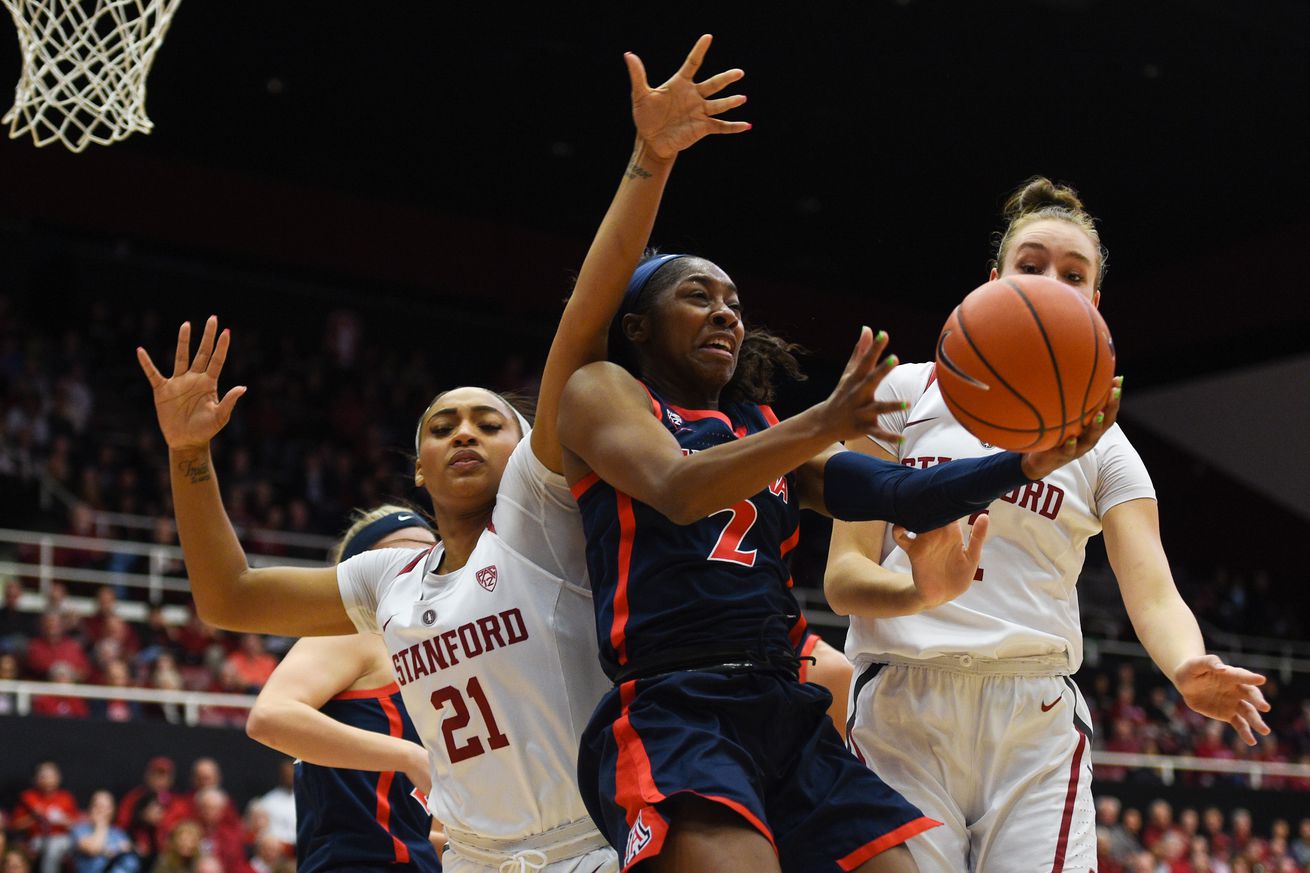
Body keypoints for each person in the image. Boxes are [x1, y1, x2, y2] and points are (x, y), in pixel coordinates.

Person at [136, 33, 752, 873]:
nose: (464, 431)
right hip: (470, 855)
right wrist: (189, 456)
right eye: (441, 425)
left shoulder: (541, 515)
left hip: (590, 842)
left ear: (528, 447)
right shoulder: (388, 580)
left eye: (489, 422)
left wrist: (650, 157)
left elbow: (583, 322)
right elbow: (228, 595)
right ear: (417, 468)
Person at [555, 113, 1121, 873]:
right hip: (676, 702)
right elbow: (678, 487)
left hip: (782, 707)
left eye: (734, 302)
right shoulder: (602, 392)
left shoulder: (756, 425)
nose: (727, 311)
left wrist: (1024, 463)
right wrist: (821, 421)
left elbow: (901, 494)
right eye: (698, 296)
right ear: (638, 325)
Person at [825, 176, 1273, 872]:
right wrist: (920, 593)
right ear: (992, 281)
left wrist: (1186, 664)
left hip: (1031, 715)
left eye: (1072, 274)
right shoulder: (903, 393)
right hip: (901, 704)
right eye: (1029, 265)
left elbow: (1151, 587)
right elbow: (844, 579)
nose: (1049, 282)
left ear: (1093, 302)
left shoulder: (1108, 445)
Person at [245, 505, 442, 873]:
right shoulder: (355, 633)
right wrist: (410, 757)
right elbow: (270, 716)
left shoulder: (423, 660)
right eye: (401, 551)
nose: (420, 562)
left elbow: (404, 827)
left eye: (431, 551)